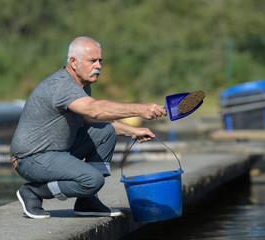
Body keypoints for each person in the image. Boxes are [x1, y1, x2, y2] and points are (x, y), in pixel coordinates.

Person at [10, 36, 167, 219]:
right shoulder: (62, 85)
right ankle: (35, 192)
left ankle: (87, 201)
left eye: (100, 61)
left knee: (105, 132)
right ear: (73, 62)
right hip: (30, 158)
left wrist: (132, 131)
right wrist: (140, 110)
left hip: (59, 152)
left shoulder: (82, 86)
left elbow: (89, 119)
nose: (99, 66)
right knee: (92, 180)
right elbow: (95, 111)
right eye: (92, 61)